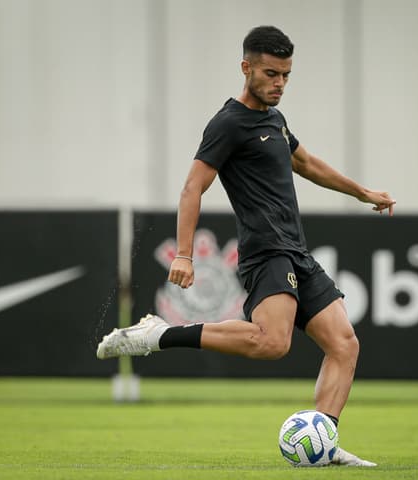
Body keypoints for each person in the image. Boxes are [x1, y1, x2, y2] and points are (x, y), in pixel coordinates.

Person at [97, 25, 395, 467]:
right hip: (266, 251)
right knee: (272, 343)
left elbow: (306, 163)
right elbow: (192, 187)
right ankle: (160, 334)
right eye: (271, 74)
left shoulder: (274, 119)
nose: (279, 84)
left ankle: (323, 441)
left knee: (345, 344)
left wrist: (361, 193)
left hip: (297, 251)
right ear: (246, 68)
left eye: (286, 75)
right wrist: (182, 252)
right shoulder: (228, 123)